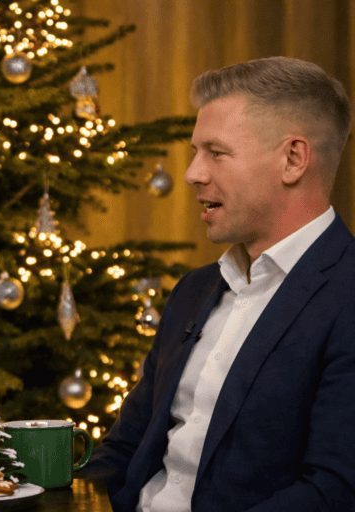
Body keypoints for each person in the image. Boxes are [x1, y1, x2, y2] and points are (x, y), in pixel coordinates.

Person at [80, 56, 355, 511]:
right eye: (195, 152)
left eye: (216, 152)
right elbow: (124, 451)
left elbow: (334, 492)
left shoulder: (346, 296)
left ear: (293, 159)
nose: (192, 173)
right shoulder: (193, 290)